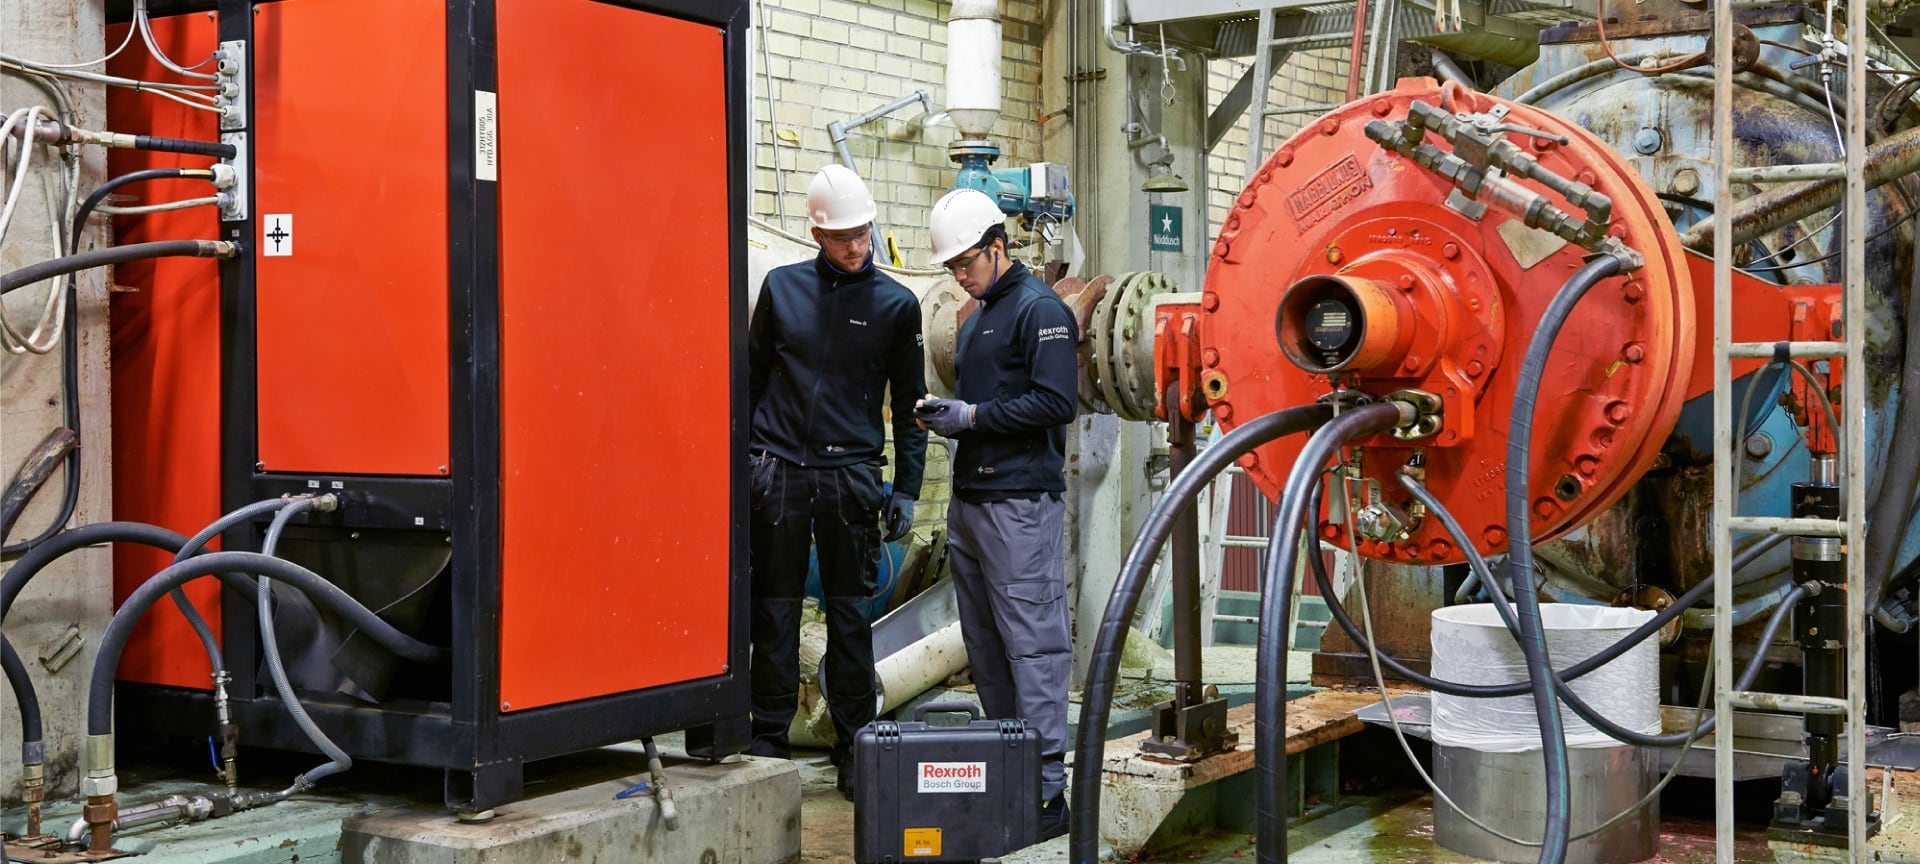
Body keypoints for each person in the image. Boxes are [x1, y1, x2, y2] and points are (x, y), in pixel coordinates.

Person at [746, 164, 927, 800]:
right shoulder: (781, 289)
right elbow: (751, 382)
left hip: (851, 476)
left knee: (851, 619)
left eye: (863, 232)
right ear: (817, 235)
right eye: (843, 236)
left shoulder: (897, 306)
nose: (857, 246)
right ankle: (765, 748)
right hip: (779, 474)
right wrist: (747, 462)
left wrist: (906, 485)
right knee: (772, 615)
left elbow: (910, 406)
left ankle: (856, 748)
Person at [915, 188, 1078, 840]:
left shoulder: (1041, 310)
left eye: (966, 262)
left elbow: (1055, 402)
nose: (958, 273)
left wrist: (972, 418)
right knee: (985, 649)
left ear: (997, 246)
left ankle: (1045, 794)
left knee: (1033, 649)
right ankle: (1009, 773)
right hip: (973, 503)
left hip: (1019, 506)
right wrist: (945, 413)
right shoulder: (979, 312)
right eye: (951, 265)